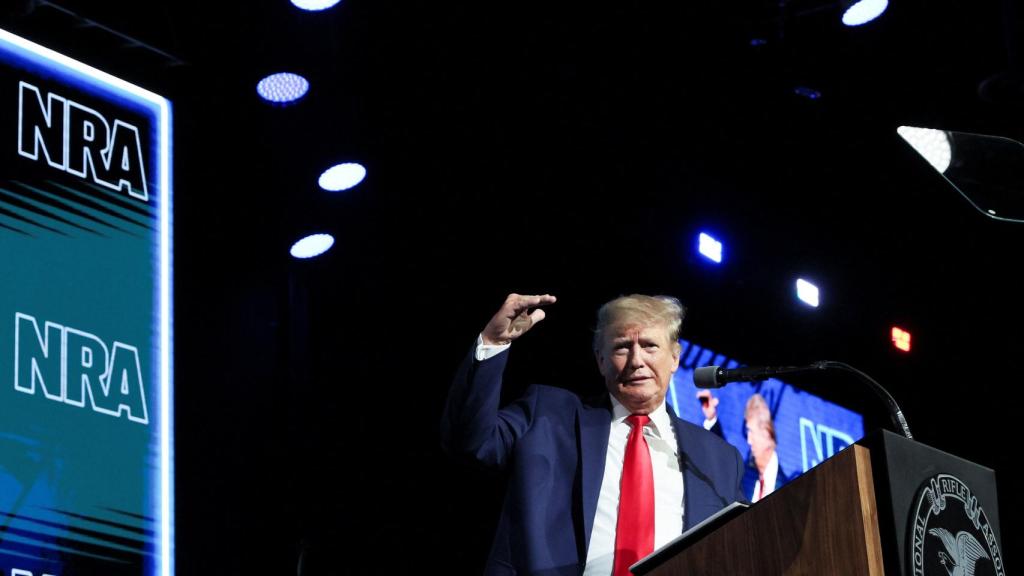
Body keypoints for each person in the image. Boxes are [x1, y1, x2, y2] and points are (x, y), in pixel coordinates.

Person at [441, 293, 745, 575]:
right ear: (601, 361)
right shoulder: (549, 414)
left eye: (650, 346)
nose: (637, 360)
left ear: (675, 358)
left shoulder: (719, 458)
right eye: (622, 347)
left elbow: (740, 551)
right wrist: (492, 342)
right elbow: (471, 442)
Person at [742, 393, 792, 503]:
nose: (749, 441)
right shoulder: (744, 477)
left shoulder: (787, 491)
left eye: (751, 432)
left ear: (766, 433)